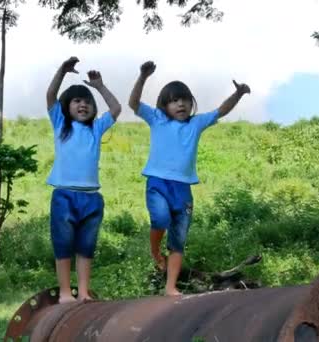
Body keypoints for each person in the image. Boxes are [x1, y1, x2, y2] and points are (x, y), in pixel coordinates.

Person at [128, 60, 250, 296]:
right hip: (158, 183)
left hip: (183, 189)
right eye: (173, 100)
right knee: (160, 219)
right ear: (164, 105)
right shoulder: (157, 119)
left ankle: (171, 287)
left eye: (184, 99)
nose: (180, 104)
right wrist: (143, 76)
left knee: (178, 239)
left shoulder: (196, 124)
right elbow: (133, 103)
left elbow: (221, 111)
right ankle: (155, 252)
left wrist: (238, 94)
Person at [46, 56, 121, 303]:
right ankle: (66, 293)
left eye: (87, 102)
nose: (83, 105)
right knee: (63, 244)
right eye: (77, 101)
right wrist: (62, 70)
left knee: (86, 246)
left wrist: (99, 87)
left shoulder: (96, 129)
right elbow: (50, 95)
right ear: (66, 106)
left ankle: (84, 292)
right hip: (64, 195)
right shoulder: (60, 124)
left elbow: (116, 109)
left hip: (91, 198)